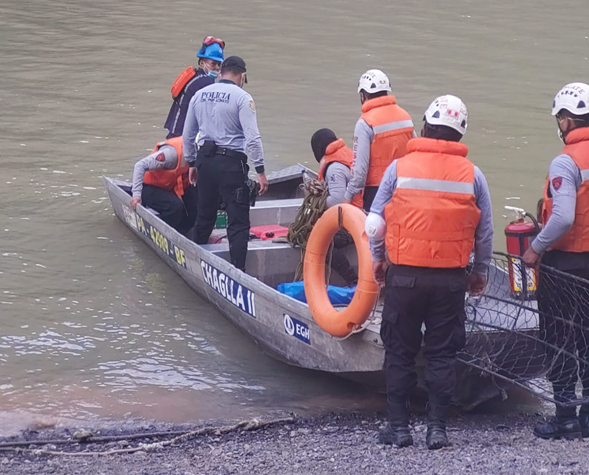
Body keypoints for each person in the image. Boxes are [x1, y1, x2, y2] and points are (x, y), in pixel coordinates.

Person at [367, 95, 493, 449]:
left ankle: (399, 428)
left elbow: (375, 223)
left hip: (404, 277)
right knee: (441, 354)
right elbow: (484, 233)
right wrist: (479, 271)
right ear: (460, 134)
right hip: (451, 281)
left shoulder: (399, 168)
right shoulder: (474, 175)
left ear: (424, 126)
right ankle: (437, 429)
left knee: (400, 352)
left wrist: (379, 259)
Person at [523, 82, 589, 441]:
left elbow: (562, 217)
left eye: (560, 119)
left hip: (565, 265)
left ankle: (564, 417)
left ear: (567, 119)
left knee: (560, 338)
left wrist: (536, 247)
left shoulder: (567, 161)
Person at [183, 56, 268, 271]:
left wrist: (191, 163)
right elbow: (253, 137)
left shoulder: (199, 95)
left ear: (221, 73)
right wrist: (260, 171)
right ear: (242, 76)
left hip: (204, 162)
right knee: (237, 222)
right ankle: (238, 272)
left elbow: (188, 134)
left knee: (205, 215)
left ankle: (196, 265)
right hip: (230, 164)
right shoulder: (242, 97)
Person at [343, 69, 415, 211]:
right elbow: (417, 153)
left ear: (363, 96)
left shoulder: (365, 123)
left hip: (377, 191)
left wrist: (348, 197)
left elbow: (360, 170)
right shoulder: (405, 117)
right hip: (404, 186)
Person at [311, 128, 361, 287]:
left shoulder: (334, 168)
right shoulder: (346, 154)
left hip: (354, 223)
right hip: (363, 215)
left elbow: (338, 201)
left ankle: (353, 281)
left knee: (323, 242)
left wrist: (315, 201)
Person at [130, 137, 197, 236]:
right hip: (148, 186)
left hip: (171, 185)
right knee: (174, 206)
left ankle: (185, 232)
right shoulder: (170, 154)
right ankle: (162, 234)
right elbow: (140, 165)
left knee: (198, 205)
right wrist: (136, 195)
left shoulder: (202, 154)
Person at [164, 36, 225, 139]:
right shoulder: (205, 82)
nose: (217, 68)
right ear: (202, 63)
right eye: (213, 64)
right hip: (182, 136)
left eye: (219, 64)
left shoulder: (195, 77)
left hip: (174, 131)